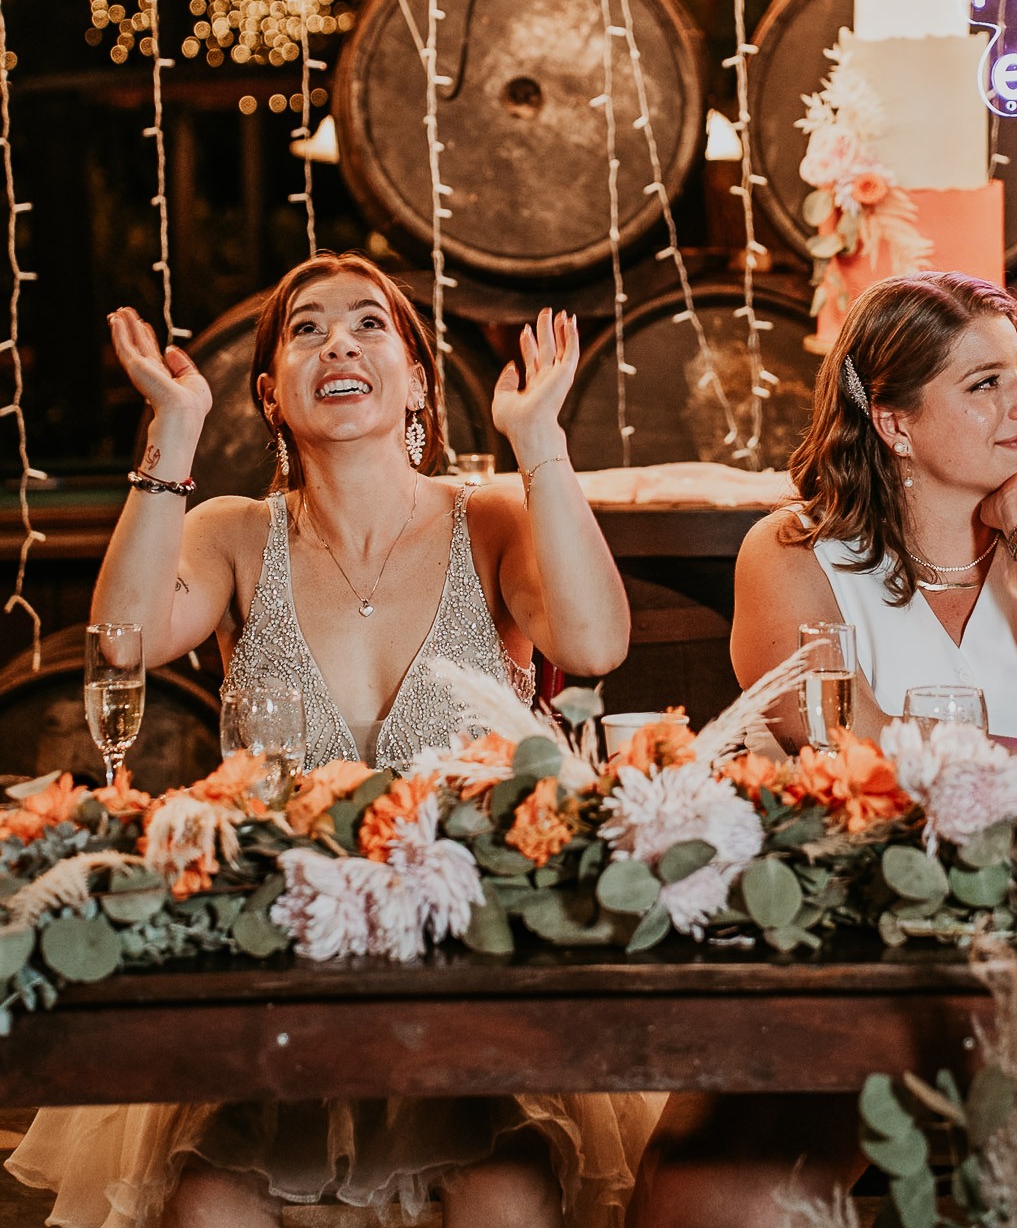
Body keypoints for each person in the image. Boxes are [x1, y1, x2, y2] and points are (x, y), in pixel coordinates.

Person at [8, 250, 656, 1228]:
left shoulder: (492, 522)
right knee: (205, 1206)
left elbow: (596, 642)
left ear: (419, 382)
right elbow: (120, 642)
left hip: (472, 985)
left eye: (368, 324)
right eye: (306, 328)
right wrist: (174, 431)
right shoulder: (234, 533)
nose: (338, 341)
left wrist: (541, 442)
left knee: (508, 1194)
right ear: (270, 395)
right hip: (278, 994)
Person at [630, 271, 1017, 1226]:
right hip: (860, 944)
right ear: (894, 423)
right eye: (984, 384)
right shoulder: (798, 554)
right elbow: (844, 744)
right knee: (706, 1197)